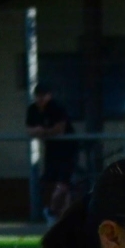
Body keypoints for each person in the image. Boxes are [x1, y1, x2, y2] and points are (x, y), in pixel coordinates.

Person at [26, 83, 77, 221]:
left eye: (43, 95)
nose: (40, 99)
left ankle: (58, 212)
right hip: (51, 149)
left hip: (67, 149)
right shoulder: (32, 109)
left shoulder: (56, 108)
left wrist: (43, 132)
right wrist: (38, 131)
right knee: (49, 181)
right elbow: (29, 129)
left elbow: (60, 129)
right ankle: (52, 212)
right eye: (38, 95)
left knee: (63, 183)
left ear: (49, 96)